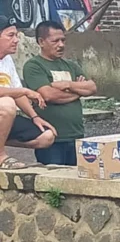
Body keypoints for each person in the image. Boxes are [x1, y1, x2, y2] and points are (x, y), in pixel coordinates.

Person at [23, 20, 94, 167]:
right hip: (51, 138)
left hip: (76, 135)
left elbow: (92, 87)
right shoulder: (34, 66)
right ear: (41, 42)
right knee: (53, 182)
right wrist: (78, 91)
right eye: (55, 41)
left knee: (76, 180)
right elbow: (48, 95)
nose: (61, 45)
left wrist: (68, 85)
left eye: (63, 40)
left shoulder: (71, 65)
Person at [0, 16, 55, 169]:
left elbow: (17, 92)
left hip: (3, 116)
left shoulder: (7, 60)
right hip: (4, 109)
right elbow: (17, 92)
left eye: (16, 35)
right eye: (10, 35)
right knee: (7, 103)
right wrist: (24, 90)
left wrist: (35, 116)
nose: (16, 40)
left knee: (46, 136)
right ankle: (1, 157)